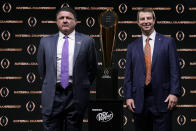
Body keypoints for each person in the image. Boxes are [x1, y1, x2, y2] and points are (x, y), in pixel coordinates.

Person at [37, 6, 97, 131]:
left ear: (75, 21)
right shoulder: (45, 41)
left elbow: (92, 69)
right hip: (53, 95)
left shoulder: (87, 41)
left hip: (75, 95)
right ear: (57, 21)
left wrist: (81, 84)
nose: (65, 20)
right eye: (61, 18)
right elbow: (42, 69)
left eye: (68, 18)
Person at [123, 8, 182, 131]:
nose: (146, 21)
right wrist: (128, 96)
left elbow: (175, 70)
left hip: (163, 98)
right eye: (142, 19)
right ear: (138, 22)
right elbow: (128, 75)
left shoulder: (168, 42)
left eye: (149, 18)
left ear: (154, 20)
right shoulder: (132, 47)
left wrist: (174, 93)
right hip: (139, 100)